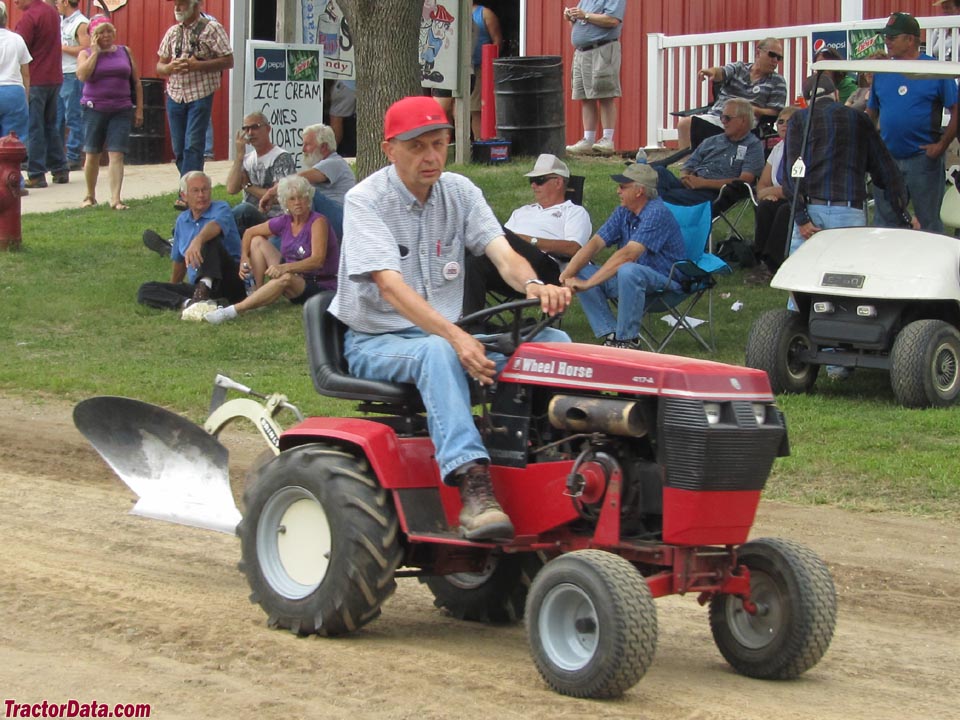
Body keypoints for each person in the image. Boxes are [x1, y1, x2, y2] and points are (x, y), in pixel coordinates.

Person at [329, 95, 571, 542]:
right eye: (418, 146)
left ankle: (542, 455)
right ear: (389, 149)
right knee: (437, 351)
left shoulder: (460, 192)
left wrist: (535, 287)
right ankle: (473, 485)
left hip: (449, 333)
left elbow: (503, 255)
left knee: (553, 344)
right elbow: (390, 287)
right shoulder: (366, 201)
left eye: (439, 144)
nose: (431, 157)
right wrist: (458, 337)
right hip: (377, 341)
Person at [783, 74, 915, 259]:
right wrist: (902, 211)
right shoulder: (859, 118)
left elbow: (792, 172)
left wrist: (801, 217)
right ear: (836, 94)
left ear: (806, 100)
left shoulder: (799, 119)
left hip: (812, 208)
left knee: (800, 277)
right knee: (846, 275)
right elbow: (885, 169)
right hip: (849, 210)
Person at [560, 163, 686, 349]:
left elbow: (628, 255)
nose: (617, 191)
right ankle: (611, 335)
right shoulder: (623, 212)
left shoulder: (657, 213)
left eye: (622, 186)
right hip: (628, 281)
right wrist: (566, 276)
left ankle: (628, 340)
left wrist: (588, 284)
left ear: (639, 191)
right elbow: (594, 244)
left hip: (665, 282)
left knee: (628, 270)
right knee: (581, 269)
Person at [463, 153, 592, 315]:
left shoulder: (574, 211)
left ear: (558, 182)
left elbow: (573, 248)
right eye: (532, 181)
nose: (533, 186)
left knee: (494, 231)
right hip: (510, 271)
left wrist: (528, 241)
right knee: (473, 261)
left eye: (539, 181)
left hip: (546, 270)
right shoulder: (521, 212)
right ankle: (472, 327)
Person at [205, 176, 339, 325]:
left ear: (308, 199)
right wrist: (244, 257)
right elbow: (249, 232)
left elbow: (317, 260)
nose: (298, 203)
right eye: (292, 199)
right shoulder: (285, 220)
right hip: (293, 271)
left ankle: (232, 311)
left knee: (285, 278)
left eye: (302, 197)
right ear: (285, 202)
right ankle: (257, 293)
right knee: (257, 241)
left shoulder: (318, 222)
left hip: (319, 283)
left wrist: (284, 268)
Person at [869, 12, 958, 233]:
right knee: (885, 222)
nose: (886, 42)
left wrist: (942, 145)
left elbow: (956, 110)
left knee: (929, 223)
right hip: (888, 159)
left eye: (892, 37)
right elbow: (871, 113)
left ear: (910, 39)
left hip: (923, 159)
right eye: (886, 37)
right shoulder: (883, 71)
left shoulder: (935, 70)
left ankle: (930, 267)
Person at [157, 0, 233, 210]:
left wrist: (197, 65)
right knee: (179, 147)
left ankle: (186, 194)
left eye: (182, 5)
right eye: (176, 5)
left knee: (193, 144)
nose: (178, 9)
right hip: (175, 95)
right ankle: (194, 187)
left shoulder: (212, 29)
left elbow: (228, 60)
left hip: (200, 93)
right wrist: (171, 67)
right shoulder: (173, 32)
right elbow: (159, 66)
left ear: (195, 6)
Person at [137, 171, 245, 311]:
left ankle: (204, 290)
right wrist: (173, 287)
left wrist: (198, 240)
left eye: (205, 189)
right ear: (184, 196)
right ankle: (190, 304)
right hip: (197, 287)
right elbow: (179, 261)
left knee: (209, 241)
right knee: (146, 289)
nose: (201, 195)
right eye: (195, 191)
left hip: (229, 279)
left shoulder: (221, 208)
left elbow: (215, 227)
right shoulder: (182, 221)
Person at [75, 15, 143, 210]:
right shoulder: (85, 54)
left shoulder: (124, 52)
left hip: (121, 108)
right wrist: (95, 53)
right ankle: (89, 195)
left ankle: (115, 199)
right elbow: (82, 75)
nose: (106, 35)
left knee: (117, 154)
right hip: (93, 108)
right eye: (100, 32)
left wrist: (139, 109)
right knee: (92, 153)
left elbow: (136, 82)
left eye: (108, 31)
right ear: (93, 36)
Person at [677, 37, 786, 150]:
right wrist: (711, 71)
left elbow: (775, 111)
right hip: (716, 116)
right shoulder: (739, 68)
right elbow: (722, 72)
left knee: (733, 124)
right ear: (758, 52)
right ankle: (688, 165)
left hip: (744, 121)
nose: (775, 60)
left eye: (779, 58)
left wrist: (754, 110)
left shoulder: (777, 82)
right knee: (684, 124)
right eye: (772, 55)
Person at [653, 98, 765, 206]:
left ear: (743, 120)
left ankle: (655, 213)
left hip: (717, 193)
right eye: (722, 118)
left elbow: (743, 182)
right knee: (658, 173)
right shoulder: (712, 140)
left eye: (727, 118)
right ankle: (656, 210)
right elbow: (688, 166)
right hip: (692, 185)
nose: (723, 122)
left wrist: (703, 183)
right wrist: (686, 178)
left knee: (665, 197)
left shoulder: (753, 146)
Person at [744, 105, 799, 285]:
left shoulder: (805, 148)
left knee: (785, 210)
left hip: (799, 200)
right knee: (766, 207)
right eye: (780, 121)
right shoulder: (778, 148)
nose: (784, 125)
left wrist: (773, 191)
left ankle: (774, 264)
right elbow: (762, 185)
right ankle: (761, 261)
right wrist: (766, 193)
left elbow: (797, 187)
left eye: (790, 122)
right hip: (779, 197)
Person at [15, 0, 68, 189]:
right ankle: (60, 168)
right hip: (54, 77)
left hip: (36, 78)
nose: (15, 2)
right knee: (50, 125)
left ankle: (36, 173)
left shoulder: (29, 17)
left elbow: (19, 49)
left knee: (34, 127)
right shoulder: (52, 12)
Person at [563, 0, 626, 156]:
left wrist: (585, 15)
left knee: (605, 94)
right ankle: (588, 140)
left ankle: (607, 139)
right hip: (582, 51)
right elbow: (584, 23)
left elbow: (612, 20)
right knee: (586, 97)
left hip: (602, 49)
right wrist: (572, 18)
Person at [226, 111, 296, 236]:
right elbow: (231, 189)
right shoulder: (247, 159)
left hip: (274, 218)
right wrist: (239, 157)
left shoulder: (281, 157)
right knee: (222, 212)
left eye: (255, 127)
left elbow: (279, 197)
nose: (250, 133)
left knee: (243, 210)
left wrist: (249, 187)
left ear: (268, 129)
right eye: (246, 129)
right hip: (248, 219)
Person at [258, 123, 354, 209]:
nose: (303, 149)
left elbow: (299, 179)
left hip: (337, 216)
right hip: (325, 216)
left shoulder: (334, 162)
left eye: (307, 144)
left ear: (323, 146)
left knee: (304, 190)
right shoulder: (327, 164)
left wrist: (270, 192)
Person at [0, 0, 30, 193]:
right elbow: (25, 71)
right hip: (13, 90)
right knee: (14, 139)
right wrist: (26, 95)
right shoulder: (16, 39)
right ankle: (14, 182)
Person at [55, 0, 88, 171]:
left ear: (66, 2)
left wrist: (62, 48)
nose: (56, 4)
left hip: (73, 73)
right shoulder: (62, 21)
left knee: (74, 116)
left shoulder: (80, 23)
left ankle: (73, 156)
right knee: (57, 118)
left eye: (59, 1)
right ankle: (58, 157)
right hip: (60, 73)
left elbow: (86, 48)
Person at [469, 3, 502, 140]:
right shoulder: (452, 13)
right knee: (456, 109)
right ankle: (463, 144)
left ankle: (479, 143)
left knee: (476, 109)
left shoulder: (485, 13)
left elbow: (497, 41)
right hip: (460, 69)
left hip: (480, 67)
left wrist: (488, 66)